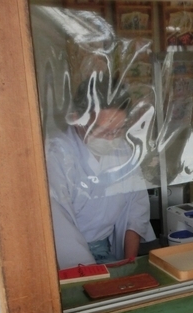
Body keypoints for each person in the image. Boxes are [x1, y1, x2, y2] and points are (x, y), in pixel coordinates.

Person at [45, 74, 156, 270]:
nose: (111, 139)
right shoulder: (57, 155)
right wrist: (91, 275)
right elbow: (60, 227)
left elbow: (136, 207)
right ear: (76, 119)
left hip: (108, 252)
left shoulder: (123, 150)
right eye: (103, 131)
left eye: (119, 129)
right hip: (65, 259)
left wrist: (128, 264)